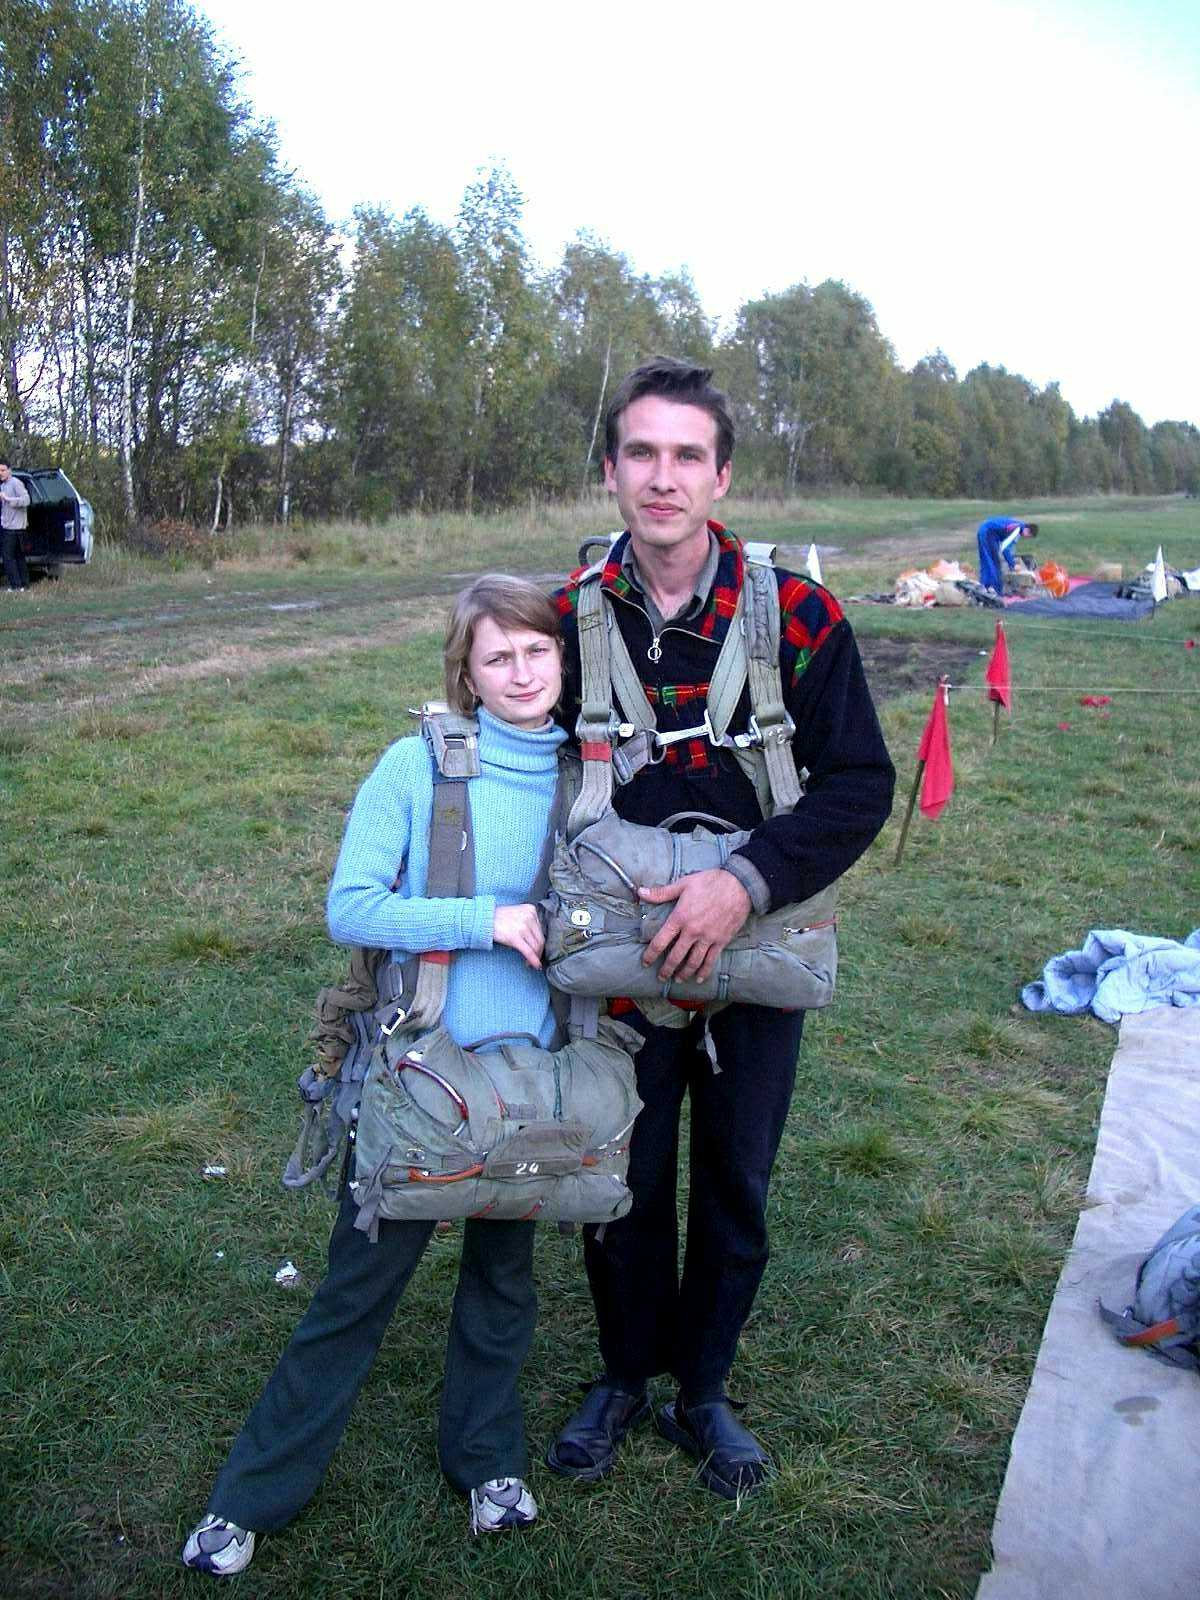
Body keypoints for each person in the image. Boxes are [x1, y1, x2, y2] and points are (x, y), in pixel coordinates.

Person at [546, 358, 895, 1500]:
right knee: (622, 1176)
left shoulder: (801, 614)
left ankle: (703, 1390)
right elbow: (511, 760)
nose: (663, 478)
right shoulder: (565, 619)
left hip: (757, 944)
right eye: (641, 453)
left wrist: (744, 883)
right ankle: (622, 1376)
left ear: (722, 476)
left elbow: (859, 782)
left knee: (736, 1180)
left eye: (686, 455)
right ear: (612, 470)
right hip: (617, 953)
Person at [183, 575, 569, 1575]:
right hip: (417, 1078)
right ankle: (250, 1497)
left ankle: (487, 1464)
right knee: (356, 1291)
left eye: (538, 650)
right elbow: (351, 906)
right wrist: (485, 921)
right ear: (467, 672)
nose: (523, 672)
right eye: (499, 656)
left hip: (537, 1083)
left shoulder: (592, 773)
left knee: (503, 1281)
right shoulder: (417, 766)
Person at [976, 515, 1038, 594]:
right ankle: (988, 588)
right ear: (1027, 530)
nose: (1026, 537)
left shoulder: (1019, 528)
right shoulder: (1017, 529)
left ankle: (992, 588)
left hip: (991, 534)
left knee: (993, 561)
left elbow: (1010, 546)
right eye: (1028, 536)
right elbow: (1005, 548)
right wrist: (1013, 564)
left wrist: (1011, 561)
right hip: (987, 532)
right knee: (990, 561)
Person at [0, 459, 31, 592]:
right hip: (8, 526)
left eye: (3, 470)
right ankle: (24, 585)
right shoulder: (3, 485)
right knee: (18, 557)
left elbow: (26, 500)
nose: (0, 473)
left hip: (15, 528)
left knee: (8, 557)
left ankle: (16, 586)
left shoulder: (16, 483)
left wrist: (8, 499)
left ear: (9, 470)